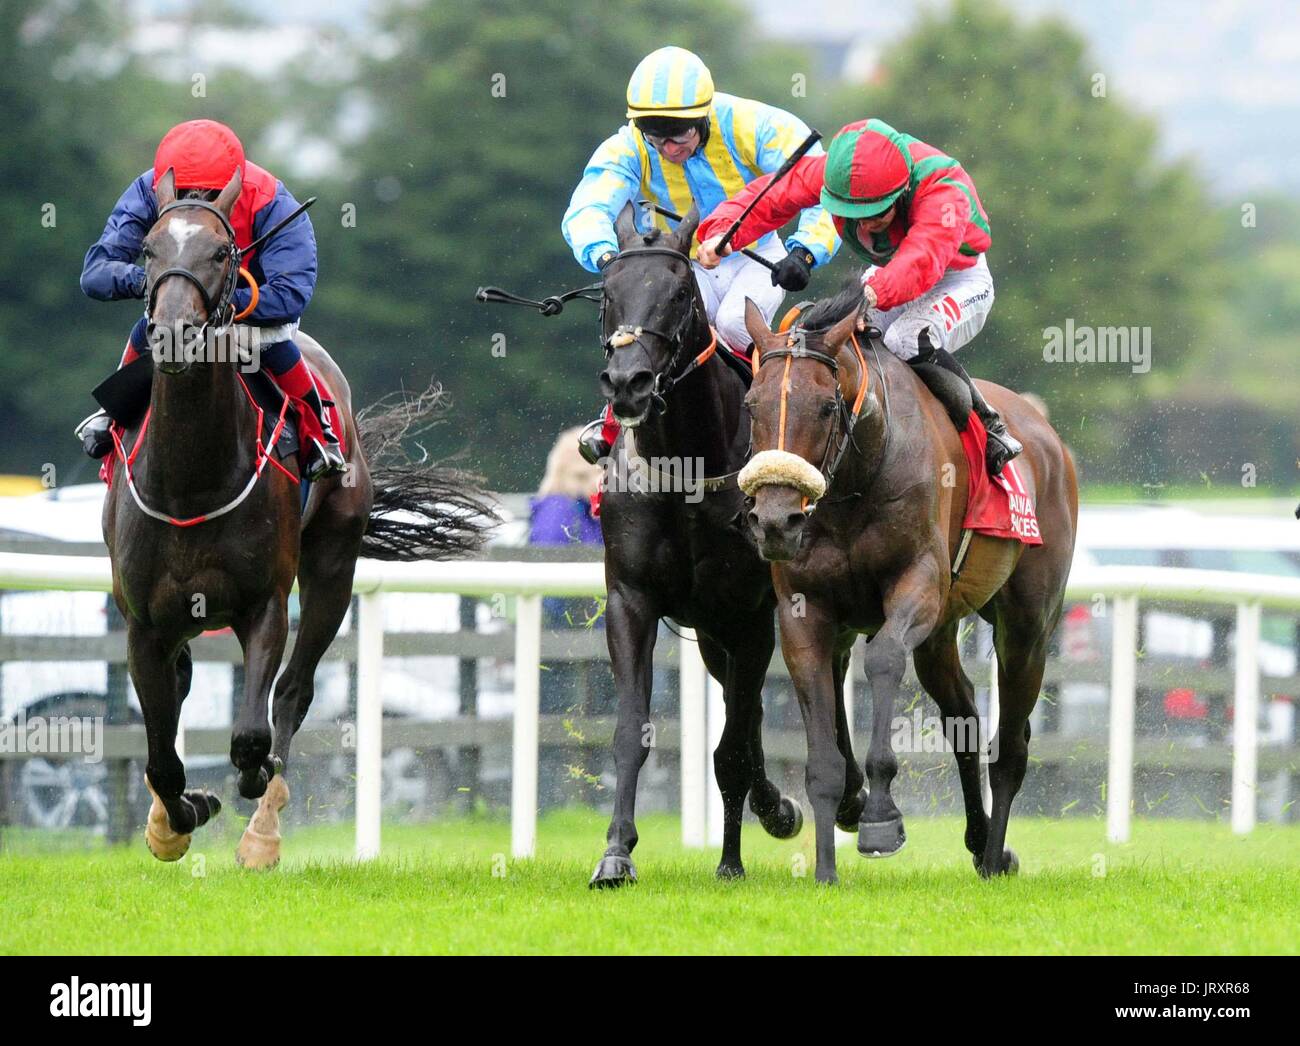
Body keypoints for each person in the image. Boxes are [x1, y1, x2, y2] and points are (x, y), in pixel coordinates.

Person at [697, 117, 1022, 476]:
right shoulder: (833, 172)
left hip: (956, 279)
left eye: (874, 214)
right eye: (852, 214)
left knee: (905, 338)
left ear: (900, 193)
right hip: (888, 275)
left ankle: (988, 424)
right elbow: (774, 195)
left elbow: (923, 259)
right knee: (827, 343)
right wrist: (723, 234)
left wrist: (873, 293)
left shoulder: (944, 190)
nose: (863, 226)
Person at [562, 46, 840, 464]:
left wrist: (805, 251)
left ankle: (769, 428)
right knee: (651, 332)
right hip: (684, 266)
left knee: (731, 324)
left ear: (704, 116)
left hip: (754, 256)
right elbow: (589, 207)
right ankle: (615, 423)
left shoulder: (756, 126)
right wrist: (607, 259)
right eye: (657, 138)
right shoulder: (630, 145)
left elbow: (826, 187)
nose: (669, 149)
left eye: (680, 136)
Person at [76, 119, 345, 480]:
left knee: (276, 342)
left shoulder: (271, 199)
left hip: (250, 315)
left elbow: (291, 294)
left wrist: (221, 298)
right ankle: (112, 416)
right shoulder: (148, 189)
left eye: (209, 191)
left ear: (234, 184)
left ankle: (320, 435)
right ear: (166, 182)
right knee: (150, 331)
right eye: (184, 191)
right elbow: (95, 273)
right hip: (179, 308)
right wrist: (163, 283)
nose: (195, 199)